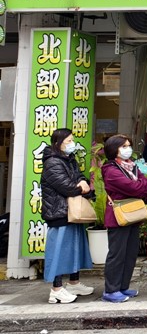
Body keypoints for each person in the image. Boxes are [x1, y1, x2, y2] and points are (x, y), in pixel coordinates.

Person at [41, 129, 94, 304]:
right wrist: (82, 188)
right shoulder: (52, 162)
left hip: (71, 211)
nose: (72, 144)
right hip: (59, 212)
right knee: (59, 251)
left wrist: (83, 183)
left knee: (74, 248)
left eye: (72, 140)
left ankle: (73, 283)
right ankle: (56, 290)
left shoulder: (69, 159)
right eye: (69, 141)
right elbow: (66, 187)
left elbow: (80, 177)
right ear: (58, 143)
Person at [100, 134, 147, 302]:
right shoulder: (111, 170)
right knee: (117, 254)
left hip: (133, 214)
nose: (128, 149)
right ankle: (111, 290)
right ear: (113, 149)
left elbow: (146, 187)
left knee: (130, 254)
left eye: (128, 145)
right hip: (118, 217)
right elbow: (135, 188)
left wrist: (142, 186)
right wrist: (142, 186)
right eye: (123, 146)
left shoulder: (132, 166)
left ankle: (123, 287)